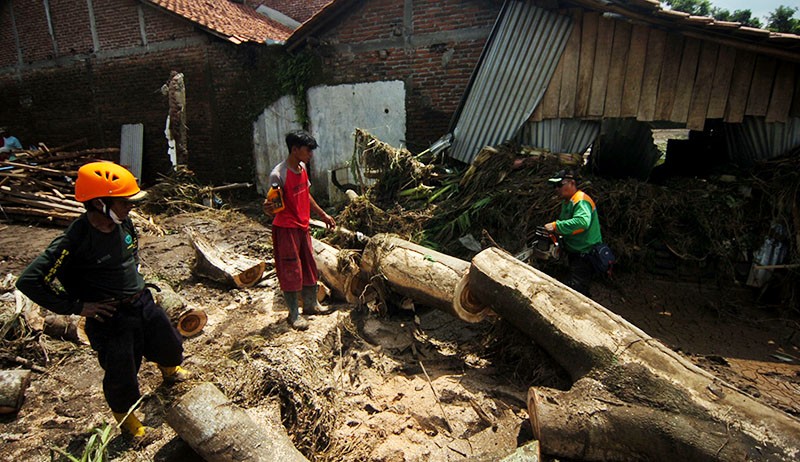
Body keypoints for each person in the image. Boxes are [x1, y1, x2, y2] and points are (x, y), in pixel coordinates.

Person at [15, 161, 190, 441]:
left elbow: (131, 250)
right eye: (124, 202)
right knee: (122, 372)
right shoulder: (74, 240)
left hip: (142, 302)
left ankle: (170, 372)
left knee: (168, 342)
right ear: (99, 203)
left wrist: (134, 277)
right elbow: (29, 281)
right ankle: (128, 421)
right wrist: (77, 307)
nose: (130, 207)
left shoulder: (123, 223)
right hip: (111, 318)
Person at [264, 129, 336, 330]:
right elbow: (273, 205)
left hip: (303, 226)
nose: (311, 154)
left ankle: (311, 305)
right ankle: (293, 314)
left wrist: (322, 215)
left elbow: (306, 193)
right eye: (308, 150)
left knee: (309, 265)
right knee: (290, 269)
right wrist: (267, 208)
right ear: (295, 149)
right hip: (286, 229)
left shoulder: (302, 168)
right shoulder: (278, 174)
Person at [544, 169, 603, 296]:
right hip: (576, 251)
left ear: (572, 183)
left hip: (585, 253)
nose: (556, 189)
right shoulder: (567, 201)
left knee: (577, 289)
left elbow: (582, 222)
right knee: (577, 284)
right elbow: (570, 226)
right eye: (555, 186)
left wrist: (556, 226)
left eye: (559, 185)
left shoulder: (580, 200)